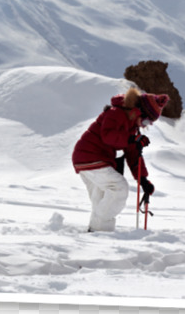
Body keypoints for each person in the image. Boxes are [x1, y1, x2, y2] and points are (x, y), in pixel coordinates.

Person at [72, 87, 170, 232]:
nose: (145, 125)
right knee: (118, 188)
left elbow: (133, 154)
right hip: (91, 156)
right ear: (139, 112)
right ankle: (99, 230)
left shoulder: (130, 125)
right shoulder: (116, 113)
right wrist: (132, 139)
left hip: (88, 159)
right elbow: (108, 136)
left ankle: (96, 236)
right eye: (147, 121)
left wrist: (143, 179)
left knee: (101, 199)